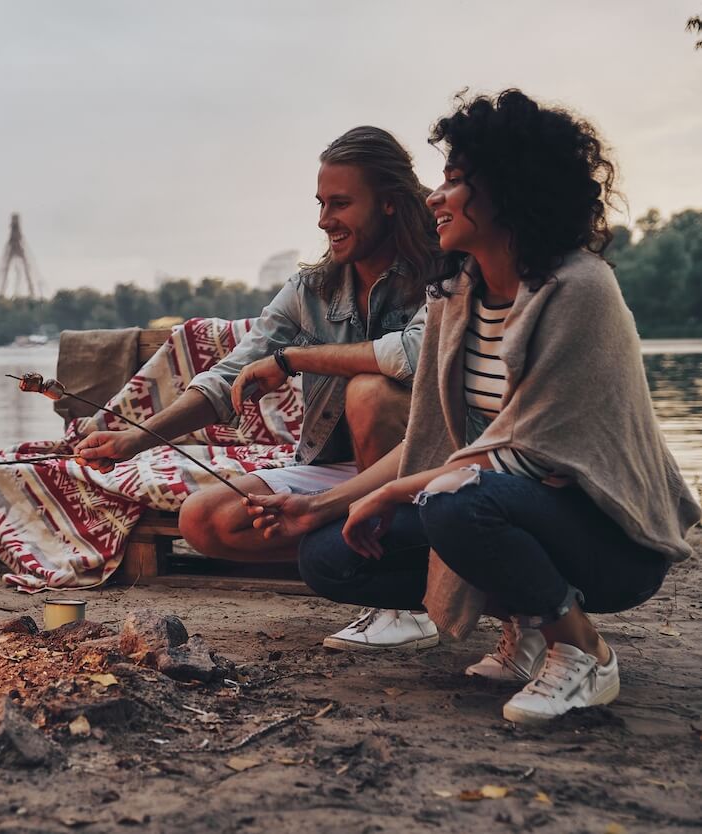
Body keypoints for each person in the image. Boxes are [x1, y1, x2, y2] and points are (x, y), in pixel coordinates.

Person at [249, 89, 700, 724]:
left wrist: (383, 494)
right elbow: (436, 443)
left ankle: (585, 651)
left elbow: (521, 455)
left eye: (455, 181)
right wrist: (320, 505)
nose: (434, 197)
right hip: (497, 496)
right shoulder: (455, 293)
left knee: (459, 503)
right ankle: (530, 621)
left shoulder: (578, 290)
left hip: (611, 538)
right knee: (327, 555)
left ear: (508, 190)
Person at [75, 126, 443, 651]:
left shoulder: (442, 274)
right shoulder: (309, 290)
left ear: (388, 204)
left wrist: (291, 359)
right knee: (204, 520)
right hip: (343, 471)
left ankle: (401, 604)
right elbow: (229, 376)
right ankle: (385, 564)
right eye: (320, 203)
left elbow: (410, 356)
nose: (324, 220)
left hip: (423, 467)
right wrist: (135, 441)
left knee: (369, 391)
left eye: (340, 203)